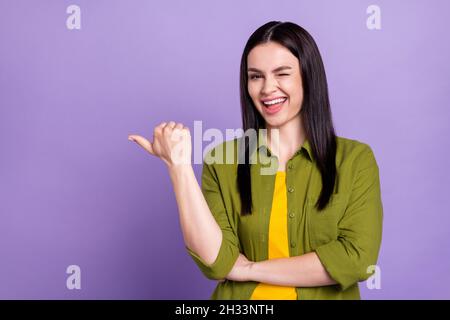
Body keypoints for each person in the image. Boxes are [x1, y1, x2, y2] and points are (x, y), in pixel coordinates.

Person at [128, 21, 383, 300]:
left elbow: (355, 259)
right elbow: (217, 262)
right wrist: (178, 167)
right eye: (256, 76)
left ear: (309, 77)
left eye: (282, 73)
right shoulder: (222, 161)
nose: (267, 88)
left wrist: (248, 269)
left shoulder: (355, 160)